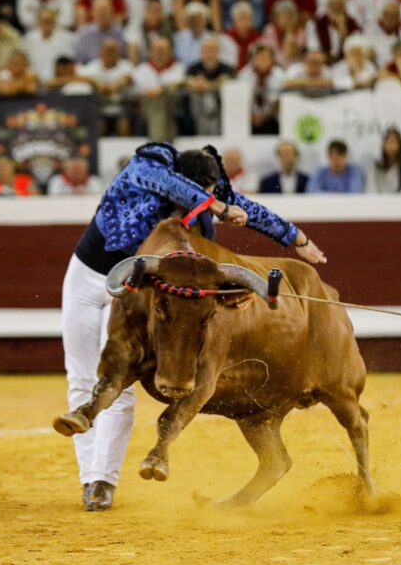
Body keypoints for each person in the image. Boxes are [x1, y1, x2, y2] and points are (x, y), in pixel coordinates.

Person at [61, 142, 325, 511]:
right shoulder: (151, 164)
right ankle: (89, 474)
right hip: (89, 277)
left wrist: (299, 240)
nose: (204, 203)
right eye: (203, 195)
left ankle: (100, 482)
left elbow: (248, 212)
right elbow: (170, 184)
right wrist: (214, 206)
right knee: (79, 377)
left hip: (141, 294)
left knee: (120, 379)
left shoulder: (207, 199)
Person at [368, 128, 401, 194]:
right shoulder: (375, 167)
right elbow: (371, 189)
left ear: (399, 145)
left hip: (400, 203)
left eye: (393, 141)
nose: (390, 145)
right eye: (388, 142)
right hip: (379, 202)